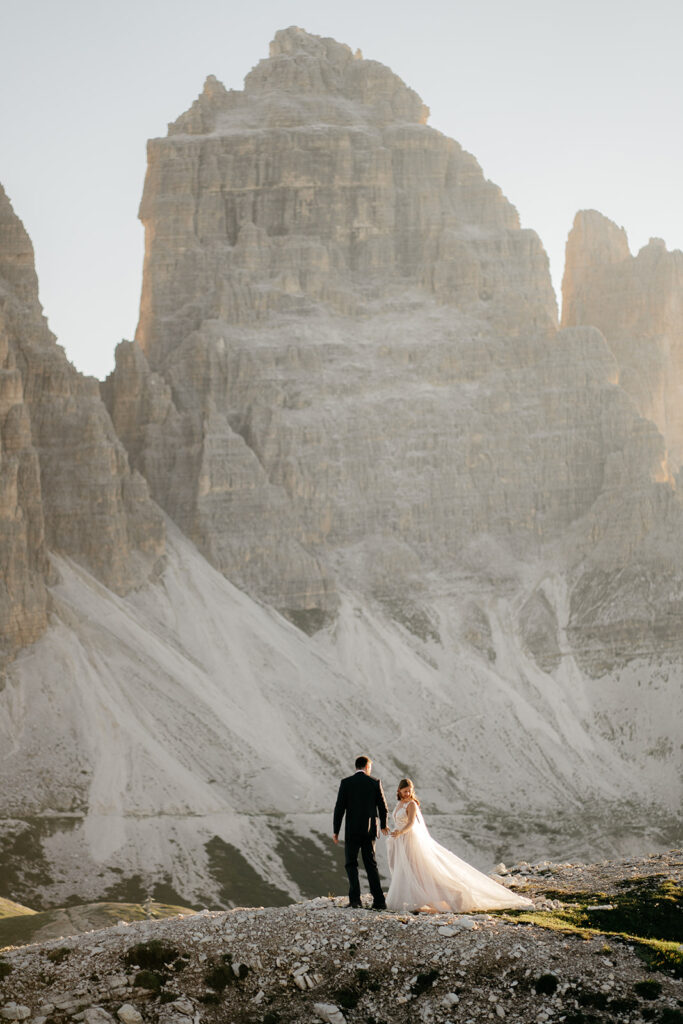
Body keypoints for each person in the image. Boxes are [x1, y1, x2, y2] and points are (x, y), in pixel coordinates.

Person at [386, 778, 533, 913]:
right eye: (405, 791)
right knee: (410, 871)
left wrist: (400, 832)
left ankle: (455, 894)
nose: (408, 793)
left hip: (409, 840)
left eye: (410, 790)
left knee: (421, 871)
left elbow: (411, 823)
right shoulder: (399, 804)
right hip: (401, 841)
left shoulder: (411, 804)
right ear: (399, 791)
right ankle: (417, 899)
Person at [333, 755, 389, 909]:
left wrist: (335, 830)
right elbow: (383, 807)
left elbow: (339, 808)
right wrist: (383, 825)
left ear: (356, 767)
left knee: (351, 864)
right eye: (370, 768)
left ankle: (355, 900)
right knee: (371, 864)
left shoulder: (346, 783)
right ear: (366, 767)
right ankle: (379, 901)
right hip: (370, 830)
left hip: (352, 830)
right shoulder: (374, 782)